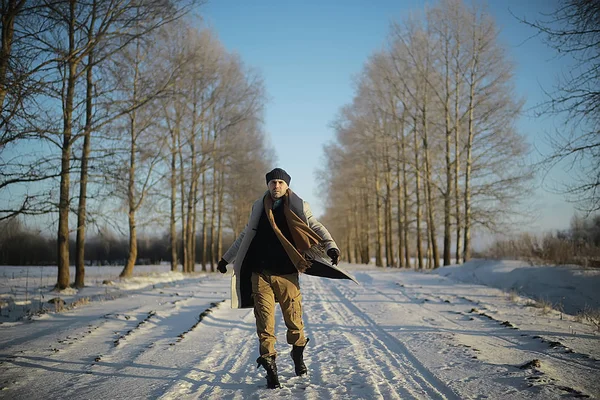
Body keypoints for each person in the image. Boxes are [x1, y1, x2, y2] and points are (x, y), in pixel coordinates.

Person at [217, 167, 355, 389]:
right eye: (272, 183)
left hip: (287, 273)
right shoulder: (258, 207)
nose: (276, 186)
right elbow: (245, 234)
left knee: (294, 321)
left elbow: (315, 226)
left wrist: (331, 247)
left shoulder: (299, 206)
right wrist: (226, 259)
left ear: (287, 185)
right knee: (264, 321)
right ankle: (270, 364)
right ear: (268, 185)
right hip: (260, 274)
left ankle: (297, 352)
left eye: (280, 183)